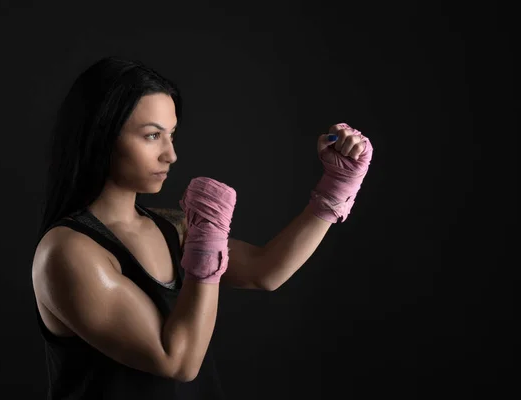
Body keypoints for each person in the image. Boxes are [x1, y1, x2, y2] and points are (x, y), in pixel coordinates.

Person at [31, 56, 373, 399]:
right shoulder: (68, 252)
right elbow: (177, 361)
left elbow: (265, 272)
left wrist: (335, 188)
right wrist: (207, 245)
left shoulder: (171, 227)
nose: (171, 155)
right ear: (100, 137)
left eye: (171, 135)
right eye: (152, 136)